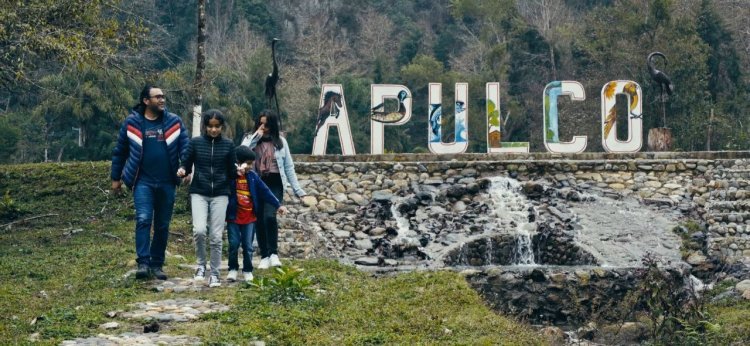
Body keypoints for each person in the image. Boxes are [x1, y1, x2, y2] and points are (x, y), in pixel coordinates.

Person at [111, 85, 189, 280]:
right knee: (144, 219)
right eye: (157, 97)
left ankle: (157, 264)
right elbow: (120, 152)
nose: (162, 100)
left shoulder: (174, 122)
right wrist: (116, 179)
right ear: (146, 101)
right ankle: (143, 263)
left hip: (167, 182)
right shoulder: (132, 123)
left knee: (162, 225)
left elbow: (186, 148)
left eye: (163, 97)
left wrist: (187, 168)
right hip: (142, 181)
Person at [177, 110, 236, 288]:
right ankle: (201, 266)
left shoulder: (228, 145)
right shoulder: (195, 143)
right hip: (199, 192)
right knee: (200, 230)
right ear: (204, 126)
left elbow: (232, 171)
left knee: (216, 236)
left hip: (220, 193)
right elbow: (186, 164)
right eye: (210, 126)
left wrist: (239, 170)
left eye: (217, 126)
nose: (213, 130)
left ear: (222, 127)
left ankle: (215, 274)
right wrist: (182, 171)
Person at [241, 109, 306, 269]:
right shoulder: (251, 139)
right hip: (256, 182)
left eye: (267, 124)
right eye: (261, 123)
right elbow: (241, 152)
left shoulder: (281, 142)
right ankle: (264, 255)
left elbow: (289, 167)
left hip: (275, 182)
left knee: (270, 216)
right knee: (259, 219)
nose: (264, 127)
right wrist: (255, 136)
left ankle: (273, 254)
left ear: (273, 125)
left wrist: (299, 191)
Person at [226, 146, 288, 283]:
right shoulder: (230, 176)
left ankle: (248, 270)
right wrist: (235, 172)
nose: (250, 166)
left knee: (248, 246)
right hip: (233, 218)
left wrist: (278, 205)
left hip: (249, 218)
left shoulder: (253, 177)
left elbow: (265, 192)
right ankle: (233, 269)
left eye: (251, 163)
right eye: (247, 163)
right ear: (238, 162)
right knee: (234, 244)